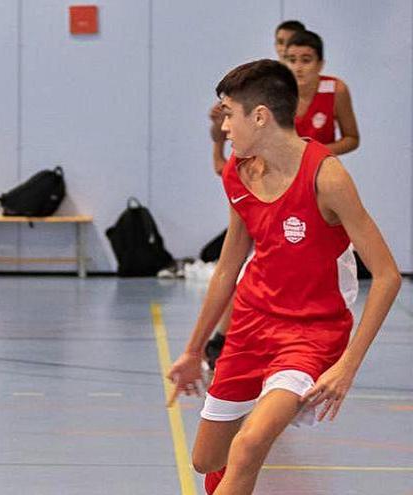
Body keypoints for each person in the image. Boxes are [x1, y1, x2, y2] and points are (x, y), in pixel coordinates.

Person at [168, 60, 400, 495]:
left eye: (228, 115)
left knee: (251, 442)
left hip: (311, 335)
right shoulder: (238, 173)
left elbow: (387, 275)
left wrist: (348, 365)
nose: (224, 130)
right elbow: (227, 268)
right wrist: (192, 349)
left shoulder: (327, 178)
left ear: (259, 115)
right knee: (207, 460)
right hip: (251, 326)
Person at [203, 23, 363, 370]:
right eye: (289, 57)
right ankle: (221, 337)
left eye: (306, 59)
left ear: (320, 63)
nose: (298, 66)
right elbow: (225, 138)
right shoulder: (260, 104)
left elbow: (352, 137)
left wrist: (314, 155)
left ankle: (314, 350)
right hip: (270, 191)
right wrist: (219, 138)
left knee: (296, 276)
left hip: (311, 195)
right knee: (245, 265)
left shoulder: (334, 92)